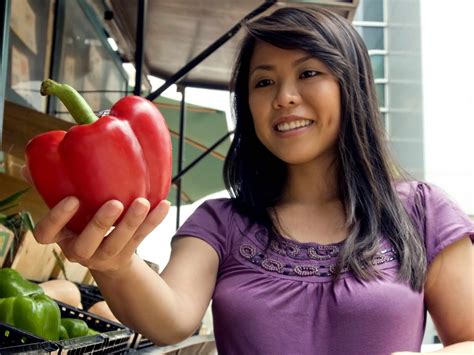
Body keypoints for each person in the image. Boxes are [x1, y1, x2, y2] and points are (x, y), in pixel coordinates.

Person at [28, 6, 473, 355]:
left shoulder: (421, 211)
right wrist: (114, 264)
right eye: (263, 82)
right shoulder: (221, 222)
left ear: (352, 85)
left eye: (309, 73)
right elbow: (171, 320)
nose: (284, 97)